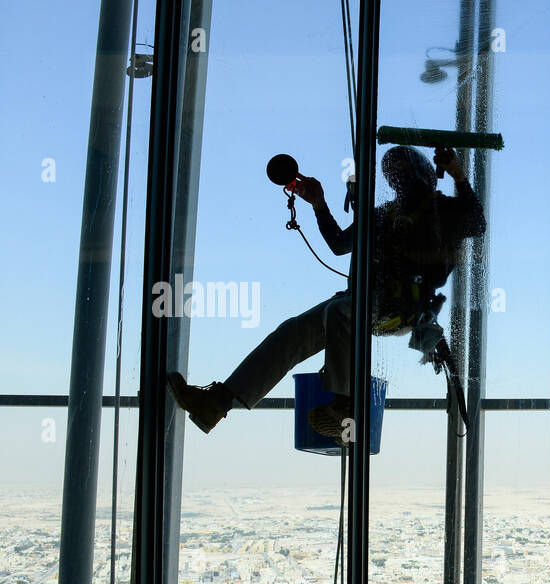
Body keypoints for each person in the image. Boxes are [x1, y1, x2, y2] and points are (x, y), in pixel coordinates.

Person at [167, 144, 485, 441]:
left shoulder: (442, 210)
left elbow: (476, 223)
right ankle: (217, 403)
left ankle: (346, 404)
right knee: (293, 332)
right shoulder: (382, 215)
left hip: (401, 309)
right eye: (393, 174)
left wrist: (458, 175)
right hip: (369, 303)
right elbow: (338, 244)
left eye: (402, 172)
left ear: (422, 175)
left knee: (339, 311)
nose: (398, 179)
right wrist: (319, 204)